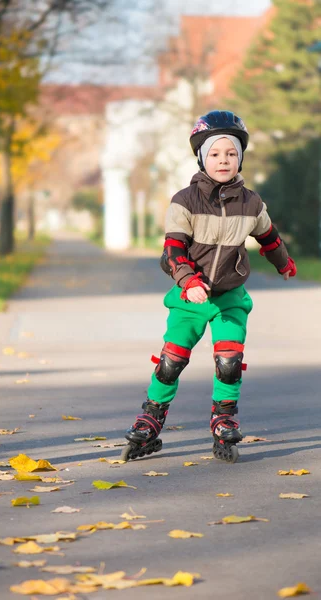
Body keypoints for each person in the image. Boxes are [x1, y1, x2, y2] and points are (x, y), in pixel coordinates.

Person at [122, 110, 297, 463]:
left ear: (240, 158)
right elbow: (173, 250)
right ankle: (151, 419)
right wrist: (188, 281)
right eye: (215, 153)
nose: (223, 160)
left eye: (231, 154)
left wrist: (284, 264)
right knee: (172, 360)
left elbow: (268, 237)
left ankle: (224, 417)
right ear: (202, 157)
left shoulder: (252, 203)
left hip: (230, 296)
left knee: (229, 359)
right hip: (190, 296)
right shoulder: (185, 201)